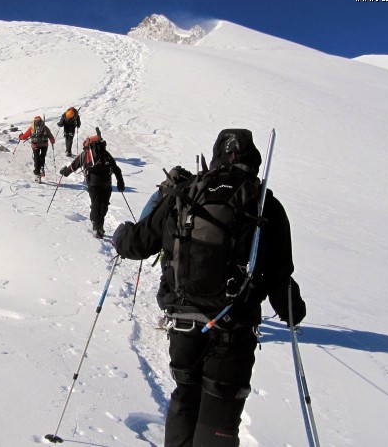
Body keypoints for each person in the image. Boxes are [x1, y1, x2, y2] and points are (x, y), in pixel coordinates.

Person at [111, 129, 307, 447]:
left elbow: (138, 244)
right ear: (254, 160)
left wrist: (121, 235)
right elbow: (280, 280)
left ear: (215, 157)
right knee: (220, 410)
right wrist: (293, 311)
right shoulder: (264, 204)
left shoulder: (188, 192)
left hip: (185, 325)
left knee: (185, 397)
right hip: (234, 330)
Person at [60, 130, 125, 238]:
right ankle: (100, 226)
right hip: (106, 182)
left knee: (95, 203)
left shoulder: (85, 154)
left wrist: (65, 172)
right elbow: (116, 169)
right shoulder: (105, 154)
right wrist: (120, 183)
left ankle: (96, 227)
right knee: (103, 204)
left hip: (93, 182)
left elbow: (73, 166)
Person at [18, 116, 56, 183]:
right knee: (42, 157)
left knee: (36, 158)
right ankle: (41, 167)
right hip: (44, 145)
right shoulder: (44, 127)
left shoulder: (32, 128)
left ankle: (37, 174)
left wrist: (20, 137)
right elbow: (50, 135)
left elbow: (24, 137)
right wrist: (52, 141)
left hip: (35, 145)